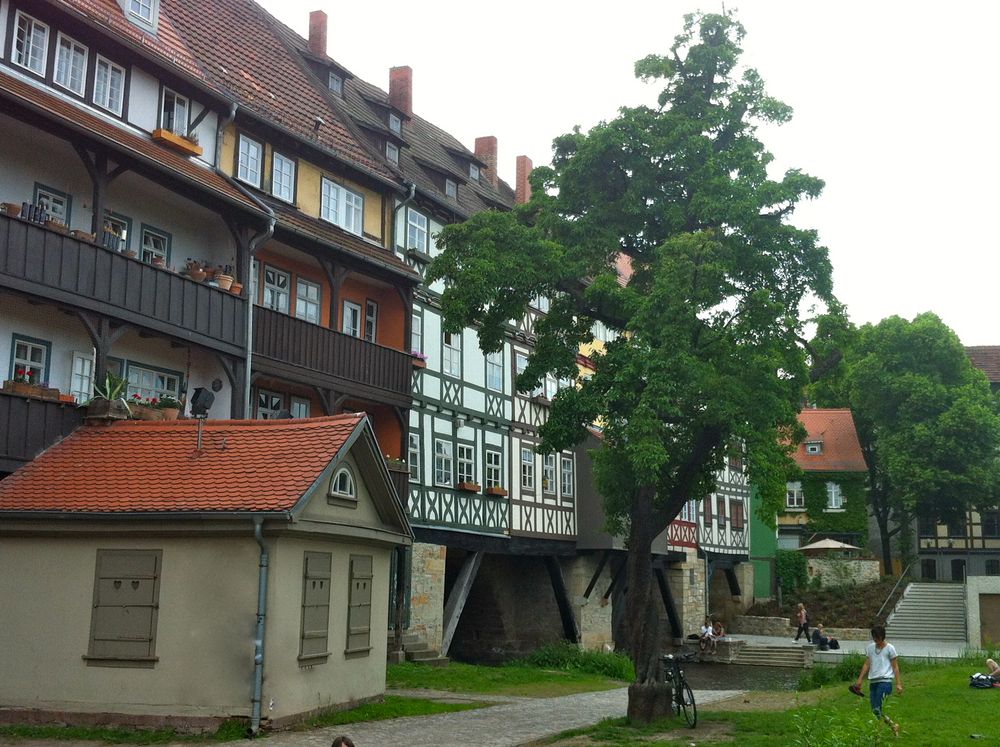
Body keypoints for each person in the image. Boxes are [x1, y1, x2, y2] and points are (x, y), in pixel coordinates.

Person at [854, 624, 902, 736]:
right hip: (873, 682)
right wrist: (860, 680)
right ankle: (893, 725)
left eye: (878, 637)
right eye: (874, 637)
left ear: (883, 636)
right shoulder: (871, 648)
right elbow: (867, 664)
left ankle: (878, 734)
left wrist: (898, 684)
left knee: (877, 709)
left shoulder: (890, 648)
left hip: (885, 682)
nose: (876, 640)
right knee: (875, 710)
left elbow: (895, 667)